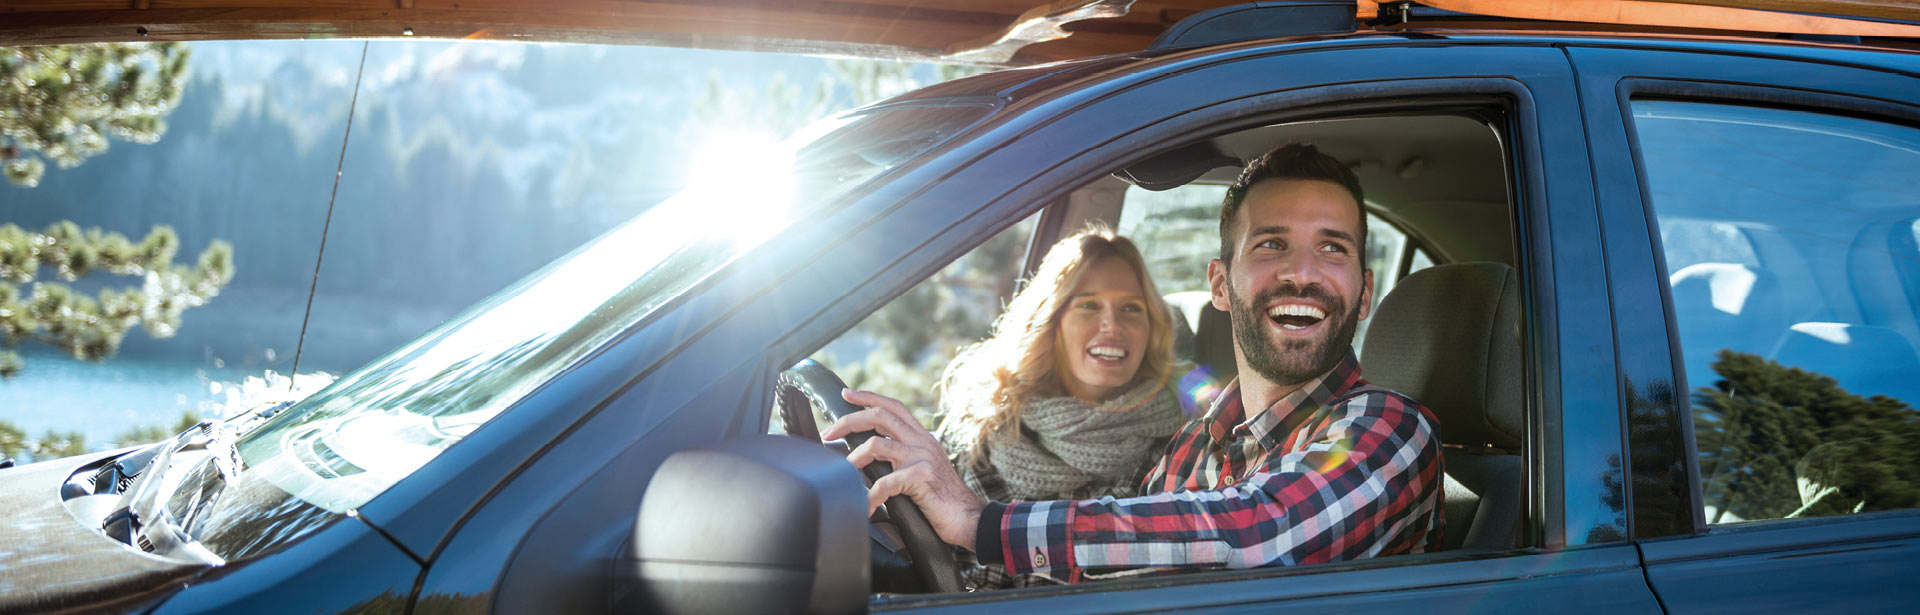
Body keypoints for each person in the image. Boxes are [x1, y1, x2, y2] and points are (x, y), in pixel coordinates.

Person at [824, 142, 1444, 583]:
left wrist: (979, 524)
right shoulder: (1193, 445)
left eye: (1331, 249)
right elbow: (1107, 581)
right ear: (1221, 286)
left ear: (1365, 293)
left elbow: (1256, 535)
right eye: (1271, 244)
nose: (1301, 273)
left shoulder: (1390, 431)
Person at [936, 227, 1188, 505]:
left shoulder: (1184, 441)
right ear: (1052, 323)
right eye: (1089, 305)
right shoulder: (983, 421)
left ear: (1152, 328)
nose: (1113, 325)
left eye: (1131, 308)